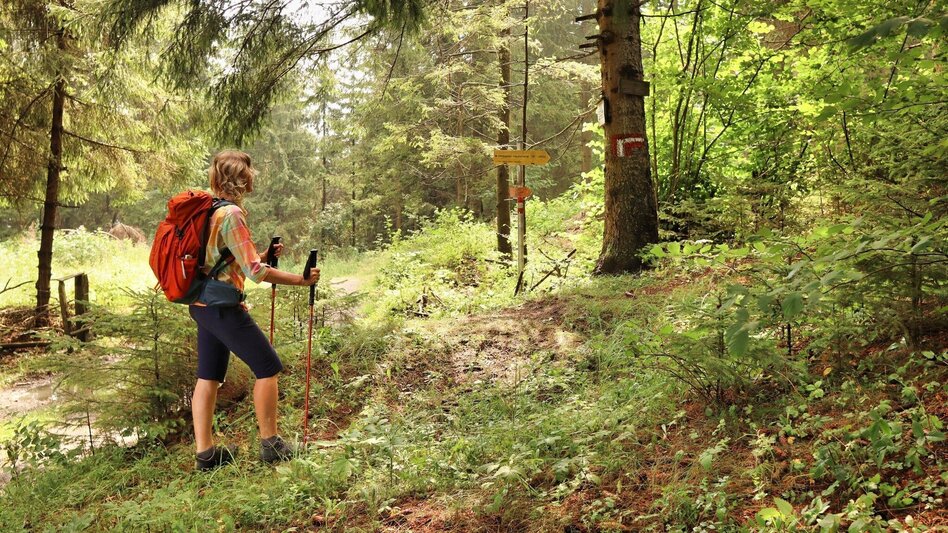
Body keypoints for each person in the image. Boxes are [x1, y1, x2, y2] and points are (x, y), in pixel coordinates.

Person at [190, 149, 319, 471]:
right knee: (267, 366)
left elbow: (222, 258)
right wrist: (300, 280)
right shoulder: (231, 213)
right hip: (221, 307)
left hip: (201, 304)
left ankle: (206, 455)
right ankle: (271, 444)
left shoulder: (207, 209)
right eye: (249, 174)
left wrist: (262, 253)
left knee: (208, 377)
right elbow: (255, 272)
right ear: (243, 178)